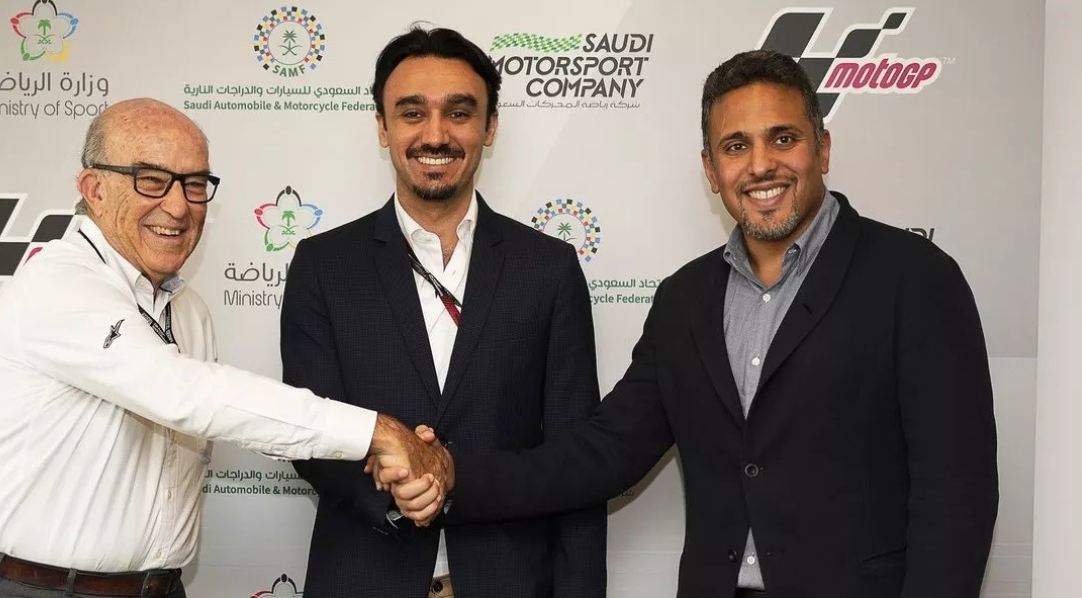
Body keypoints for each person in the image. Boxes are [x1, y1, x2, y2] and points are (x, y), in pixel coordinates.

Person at [378, 49, 1000, 598]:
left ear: (823, 148)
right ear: (710, 168)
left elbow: (958, 494)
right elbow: (603, 453)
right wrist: (453, 473)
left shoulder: (915, 279)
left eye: (783, 138)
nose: (760, 166)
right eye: (736, 147)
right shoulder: (686, 299)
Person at [0, 98, 442, 598]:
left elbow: (230, 417)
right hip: (35, 589)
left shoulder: (189, 310)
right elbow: (187, 396)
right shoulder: (57, 283)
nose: (178, 205)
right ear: (94, 189)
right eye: (150, 180)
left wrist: (383, 457)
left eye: (194, 184)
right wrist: (377, 432)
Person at [281, 26, 606, 598]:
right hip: (364, 576)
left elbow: (575, 461)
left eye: (459, 113)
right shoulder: (324, 264)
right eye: (412, 113)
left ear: (490, 127)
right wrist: (398, 492)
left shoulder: (548, 268)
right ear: (383, 127)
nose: (435, 134)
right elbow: (309, 431)